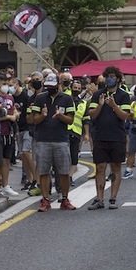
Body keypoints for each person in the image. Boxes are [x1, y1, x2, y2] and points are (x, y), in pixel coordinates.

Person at [87, 66, 131, 210]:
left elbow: (125, 116)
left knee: (116, 167)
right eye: (107, 76)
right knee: (100, 167)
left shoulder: (123, 95)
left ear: (117, 78)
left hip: (117, 136)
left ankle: (113, 198)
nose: (109, 79)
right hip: (100, 135)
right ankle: (100, 199)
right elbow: (92, 115)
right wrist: (100, 105)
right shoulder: (98, 94)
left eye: (112, 76)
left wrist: (114, 105)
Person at [30, 73, 76, 212]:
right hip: (43, 139)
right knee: (44, 171)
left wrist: (61, 116)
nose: (50, 88)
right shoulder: (40, 98)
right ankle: (45, 199)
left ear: (58, 85)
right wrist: (43, 115)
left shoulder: (67, 99)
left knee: (63, 172)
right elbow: (34, 120)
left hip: (61, 139)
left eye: (52, 86)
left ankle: (65, 198)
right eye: (48, 86)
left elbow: (71, 120)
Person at [0, 73, 19, 196]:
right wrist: (9, 117)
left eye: (7, 84)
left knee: (6, 160)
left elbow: (14, 109)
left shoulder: (10, 98)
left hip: (9, 132)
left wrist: (15, 114)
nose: (6, 86)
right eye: (4, 84)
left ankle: (5, 184)